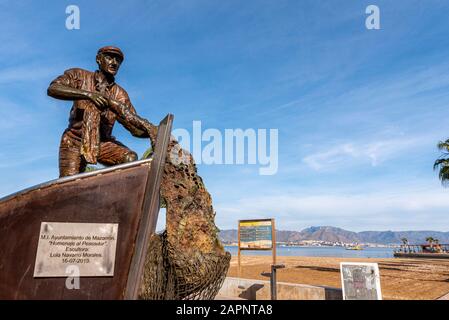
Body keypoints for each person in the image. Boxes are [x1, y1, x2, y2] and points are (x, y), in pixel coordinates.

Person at [48, 46, 157, 177]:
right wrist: (88, 95)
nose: (114, 62)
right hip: (74, 141)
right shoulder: (79, 75)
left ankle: (116, 194)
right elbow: (53, 88)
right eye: (109, 57)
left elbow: (135, 129)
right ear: (98, 59)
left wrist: (153, 132)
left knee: (130, 159)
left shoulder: (120, 95)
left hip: (102, 143)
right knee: (68, 185)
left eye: (118, 60)